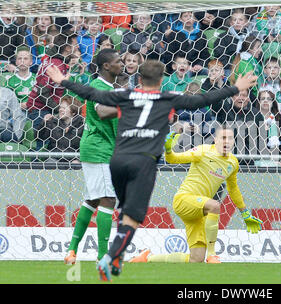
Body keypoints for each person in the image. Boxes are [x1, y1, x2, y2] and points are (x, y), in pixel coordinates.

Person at [46, 60, 258, 281]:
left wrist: (63, 81)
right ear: (161, 81)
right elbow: (202, 100)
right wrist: (235, 87)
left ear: (139, 80)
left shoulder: (125, 96)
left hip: (117, 160)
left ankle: (112, 256)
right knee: (133, 216)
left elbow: (92, 94)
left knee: (121, 209)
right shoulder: (167, 98)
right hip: (142, 163)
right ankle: (112, 257)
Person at [128, 125, 263, 264]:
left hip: (199, 212)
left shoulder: (233, 162)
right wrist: (168, 150)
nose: (226, 141)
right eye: (223, 138)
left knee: (196, 259)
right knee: (215, 205)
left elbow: (233, 189)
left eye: (230, 138)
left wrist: (245, 213)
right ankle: (212, 254)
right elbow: (173, 159)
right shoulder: (203, 151)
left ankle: (147, 258)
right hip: (184, 200)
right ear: (215, 140)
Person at [63, 48, 124, 266]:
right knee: (108, 199)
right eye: (118, 61)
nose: (122, 64)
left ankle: (71, 251)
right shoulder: (99, 86)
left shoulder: (109, 87)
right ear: (106, 66)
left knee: (93, 199)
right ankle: (103, 257)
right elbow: (102, 112)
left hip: (100, 148)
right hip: (99, 150)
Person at [36, 95, 84, 162]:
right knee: (51, 163)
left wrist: (78, 160)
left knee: (76, 164)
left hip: (73, 159)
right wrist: (44, 123)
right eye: (60, 107)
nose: (61, 109)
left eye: (64, 108)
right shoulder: (53, 122)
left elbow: (85, 147)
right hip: (54, 158)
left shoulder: (81, 126)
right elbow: (39, 138)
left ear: (73, 112)